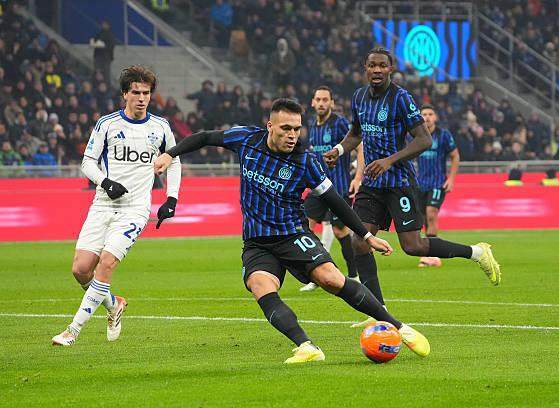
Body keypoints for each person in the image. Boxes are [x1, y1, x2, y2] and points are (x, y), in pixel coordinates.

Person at [154, 98, 430, 363]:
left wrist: (367, 236)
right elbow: (204, 137)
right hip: (257, 242)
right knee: (260, 285)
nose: (292, 135)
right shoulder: (246, 139)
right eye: (286, 128)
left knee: (330, 278)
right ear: (270, 126)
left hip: (293, 235)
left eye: (297, 129)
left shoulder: (305, 161)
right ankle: (307, 347)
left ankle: (399, 327)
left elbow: (335, 200)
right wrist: (169, 153)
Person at [324, 48, 501, 327]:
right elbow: (356, 134)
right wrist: (339, 149)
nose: (377, 70)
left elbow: (424, 139)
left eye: (382, 65)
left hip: (400, 182)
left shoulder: (401, 98)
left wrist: (389, 160)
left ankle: (477, 253)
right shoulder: (359, 97)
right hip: (372, 182)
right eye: (372, 65)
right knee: (360, 241)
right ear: (365, 68)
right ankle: (378, 311)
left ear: (391, 69)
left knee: (413, 246)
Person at [52, 66, 182, 346]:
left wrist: (171, 198)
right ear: (125, 94)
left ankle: (72, 331)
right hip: (103, 204)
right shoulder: (107, 124)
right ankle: (114, 304)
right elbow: (87, 162)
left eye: (146, 93)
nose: (142, 98)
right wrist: (105, 182)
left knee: (107, 263)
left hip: (135, 209)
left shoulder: (160, 127)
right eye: (136, 92)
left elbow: (174, 161)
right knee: (80, 269)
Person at [300, 86, 360, 292]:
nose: (321, 103)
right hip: (317, 187)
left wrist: (358, 177)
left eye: (325, 99)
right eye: (318, 99)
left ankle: (354, 275)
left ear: (332, 103)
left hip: (338, 188)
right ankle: (317, 274)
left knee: (340, 231)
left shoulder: (339, 123)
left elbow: (359, 145)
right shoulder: (312, 125)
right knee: (304, 227)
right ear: (312, 102)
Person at [415, 104, 460, 268]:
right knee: (423, 218)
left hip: (437, 182)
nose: (427, 117)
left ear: (435, 117)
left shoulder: (443, 135)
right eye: (424, 114)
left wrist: (451, 179)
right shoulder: (416, 135)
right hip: (420, 184)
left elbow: (455, 156)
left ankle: (432, 255)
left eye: (430, 114)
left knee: (431, 213)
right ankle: (430, 252)